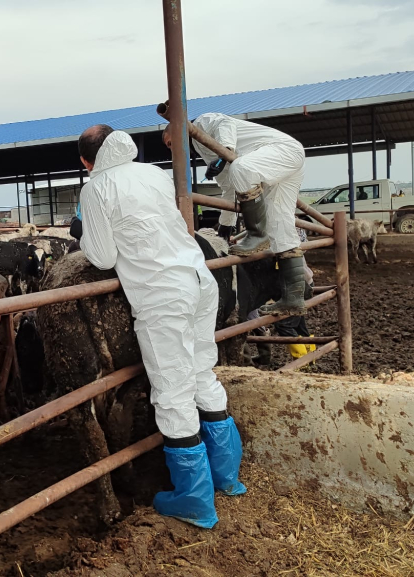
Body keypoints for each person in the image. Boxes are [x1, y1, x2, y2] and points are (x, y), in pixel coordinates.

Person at [77, 124, 246, 529]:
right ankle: (227, 477)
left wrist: (80, 232)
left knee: (171, 392)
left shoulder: (95, 187)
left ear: (87, 162)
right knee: (201, 371)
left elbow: (101, 257)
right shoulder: (152, 171)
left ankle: (194, 500)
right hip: (199, 280)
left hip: (161, 293)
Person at [170, 112, 307, 317]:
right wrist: (224, 228)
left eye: (169, 142)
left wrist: (226, 150)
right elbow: (229, 188)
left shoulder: (201, 123)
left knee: (241, 168)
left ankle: (257, 234)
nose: (171, 147)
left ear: (173, 131)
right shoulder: (201, 147)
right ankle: (294, 298)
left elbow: (223, 123)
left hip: (282, 150)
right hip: (283, 161)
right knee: (280, 225)